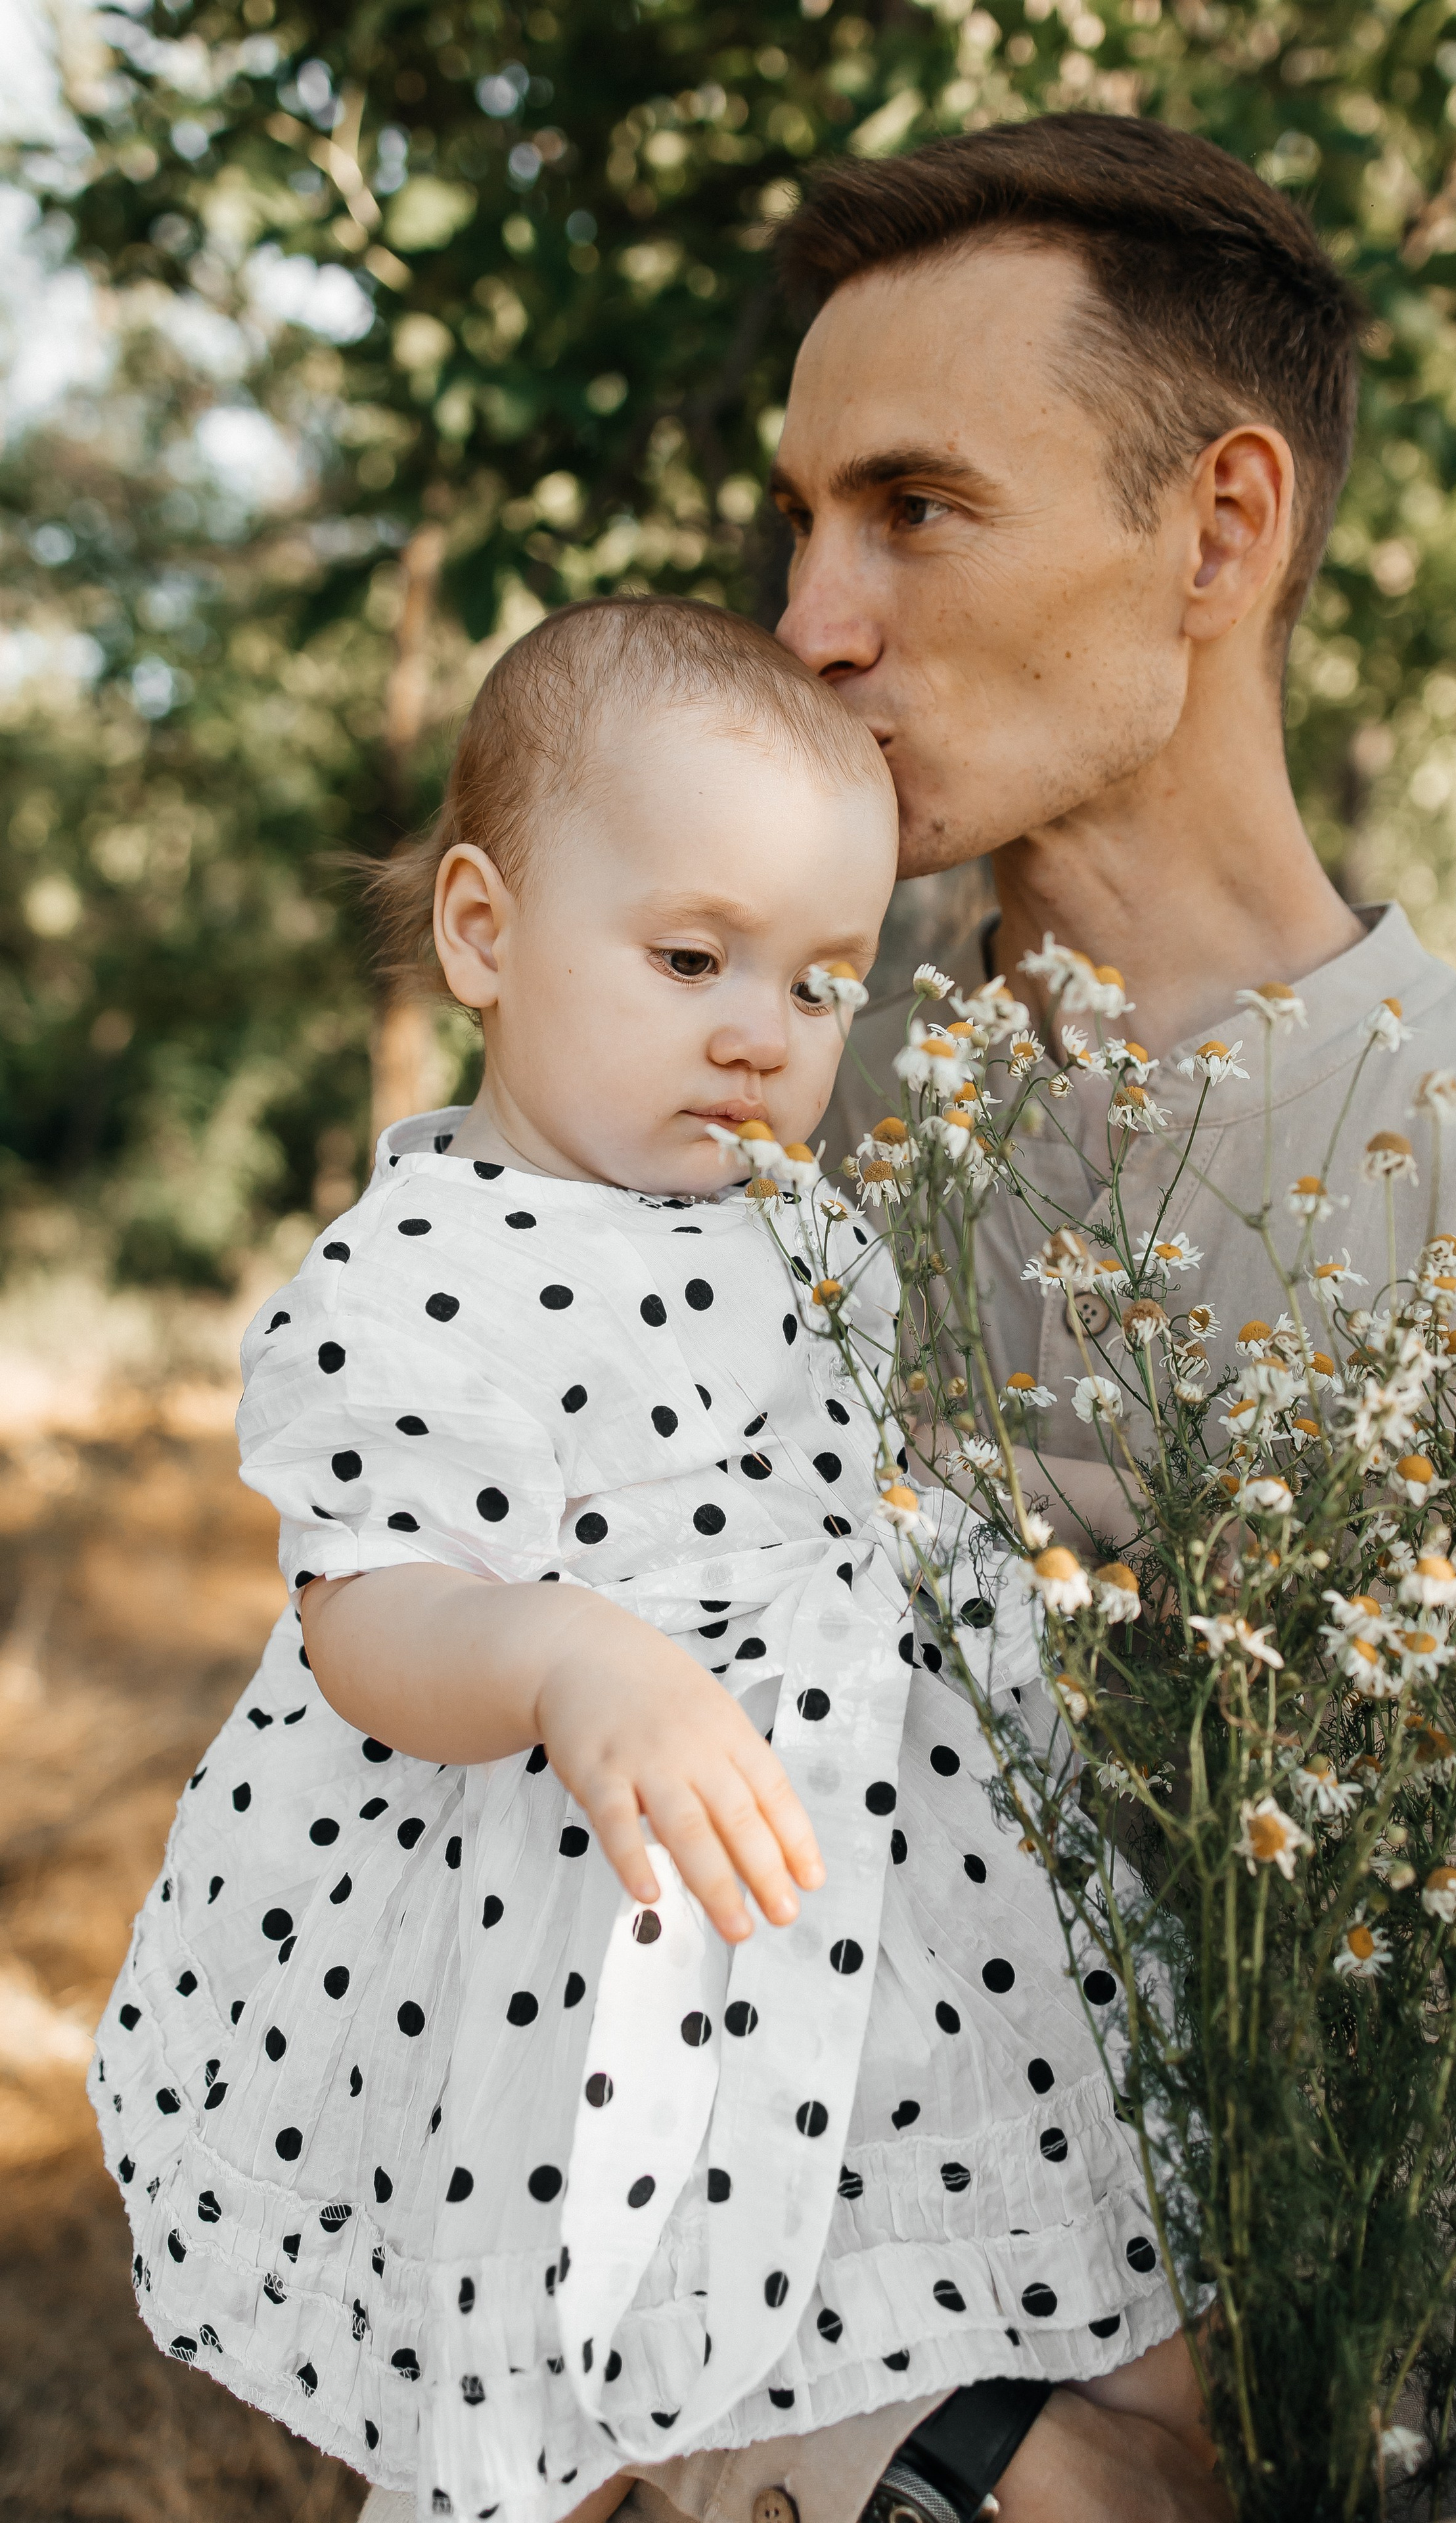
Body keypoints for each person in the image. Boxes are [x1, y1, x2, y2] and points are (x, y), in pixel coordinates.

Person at [89, 595, 1221, 2523]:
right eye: (693, 954)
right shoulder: (429, 1265)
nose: (756, 1033)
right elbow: (363, 1609)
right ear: (484, 932)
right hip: (572, 1916)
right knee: (592, 2346)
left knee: (1053, 2277)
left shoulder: (795, 1228)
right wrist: (558, 1658)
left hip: (866, 1876)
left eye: (815, 983)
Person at [776, 113, 1456, 2509]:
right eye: (800, 521)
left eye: (914, 508)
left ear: (1222, 525)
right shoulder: (738, 1156)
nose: (813, 623)